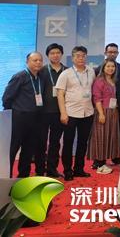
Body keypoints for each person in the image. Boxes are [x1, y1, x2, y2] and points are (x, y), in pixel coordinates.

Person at [56, 46, 95, 181]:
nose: (81, 58)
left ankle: (79, 169)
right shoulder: (66, 74)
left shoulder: (91, 71)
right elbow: (60, 94)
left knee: (83, 143)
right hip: (71, 113)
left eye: (83, 56)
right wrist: (63, 113)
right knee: (68, 143)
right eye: (78, 56)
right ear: (72, 58)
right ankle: (67, 170)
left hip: (87, 113)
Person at [2, 51, 44, 178]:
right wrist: (12, 113)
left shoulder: (40, 77)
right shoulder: (20, 76)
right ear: (27, 62)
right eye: (35, 60)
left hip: (35, 118)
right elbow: (7, 97)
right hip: (19, 118)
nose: (38, 63)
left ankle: (23, 175)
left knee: (28, 148)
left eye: (40, 60)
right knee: (13, 148)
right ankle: (6, 176)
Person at [37, 43, 66, 177]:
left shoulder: (67, 71)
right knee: (41, 142)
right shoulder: (41, 70)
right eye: (52, 53)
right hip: (42, 113)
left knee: (55, 142)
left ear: (61, 54)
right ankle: (39, 170)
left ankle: (52, 169)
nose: (55, 55)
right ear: (48, 55)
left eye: (58, 53)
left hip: (59, 112)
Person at [88, 60, 120, 174]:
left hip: (113, 112)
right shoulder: (99, 81)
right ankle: (98, 163)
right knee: (101, 136)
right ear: (103, 68)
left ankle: (104, 160)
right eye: (108, 66)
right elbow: (97, 99)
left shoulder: (113, 80)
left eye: (113, 66)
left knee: (110, 136)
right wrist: (101, 113)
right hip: (103, 111)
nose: (110, 68)